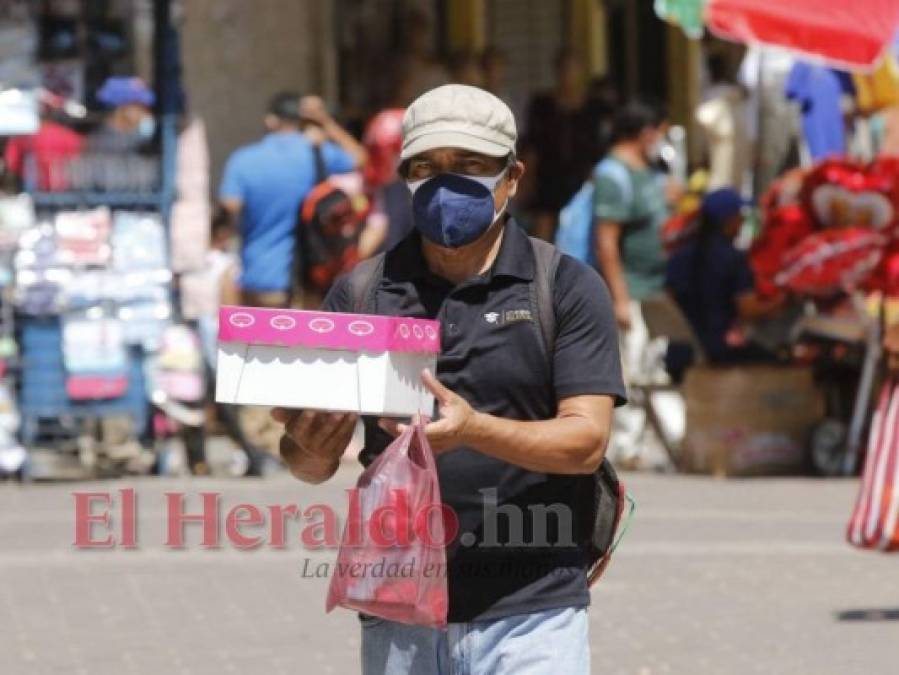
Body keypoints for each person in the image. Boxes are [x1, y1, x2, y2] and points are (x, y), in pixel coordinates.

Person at [271, 84, 625, 674]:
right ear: (404, 177)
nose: (444, 183)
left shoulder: (562, 287)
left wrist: (473, 430)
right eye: (426, 168)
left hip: (532, 609)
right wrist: (310, 446)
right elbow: (307, 464)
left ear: (511, 178)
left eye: (469, 166)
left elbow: (585, 443)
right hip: (398, 612)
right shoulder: (361, 294)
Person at [217, 91, 366, 309]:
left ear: (271, 120)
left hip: (256, 278)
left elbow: (230, 204)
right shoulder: (316, 152)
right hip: (305, 282)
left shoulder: (243, 159)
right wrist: (326, 123)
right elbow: (360, 158)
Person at [593, 102, 674, 467]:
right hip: (632, 290)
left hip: (657, 290)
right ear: (646, 133)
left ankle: (649, 443)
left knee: (652, 367)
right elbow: (606, 241)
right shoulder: (612, 176)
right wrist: (619, 298)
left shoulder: (651, 170)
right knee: (629, 369)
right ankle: (626, 447)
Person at [666, 188, 786, 364]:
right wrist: (784, 301)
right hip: (717, 353)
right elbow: (749, 311)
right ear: (728, 221)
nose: (743, 221)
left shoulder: (679, 256)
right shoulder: (733, 258)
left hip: (679, 354)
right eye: (739, 215)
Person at [521, 49, 603, 241]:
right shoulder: (542, 105)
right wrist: (527, 180)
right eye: (564, 70)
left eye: (572, 69)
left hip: (581, 177)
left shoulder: (592, 108)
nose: (568, 75)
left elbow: (596, 146)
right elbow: (532, 145)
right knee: (542, 233)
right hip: (548, 176)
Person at [3, 90, 83, 192]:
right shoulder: (71, 137)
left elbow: (11, 165)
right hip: (64, 192)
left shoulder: (23, 135)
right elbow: (78, 166)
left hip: (31, 191)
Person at [87, 76, 156, 154]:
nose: (145, 114)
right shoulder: (102, 142)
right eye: (139, 107)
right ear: (121, 109)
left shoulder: (136, 141)